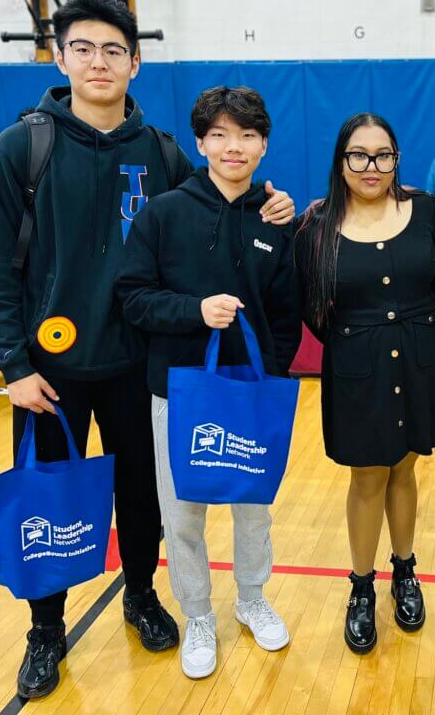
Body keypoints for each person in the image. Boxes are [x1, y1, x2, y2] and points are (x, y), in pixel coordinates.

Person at [0, 0, 295, 699]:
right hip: (50, 372)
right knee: (48, 501)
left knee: (144, 501)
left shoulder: (162, 152)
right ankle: (45, 630)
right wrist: (13, 364)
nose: (98, 61)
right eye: (83, 48)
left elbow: (215, 210)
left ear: (136, 63)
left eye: (113, 50)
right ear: (60, 57)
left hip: (142, 367)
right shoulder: (20, 147)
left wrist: (271, 201)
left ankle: (143, 596)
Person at [117, 85, 301, 678]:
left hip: (249, 395)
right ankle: (197, 613)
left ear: (264, 144)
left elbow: (286, 313)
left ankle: (251, 599)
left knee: (253, 510)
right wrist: (193, 311)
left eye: (247, 135)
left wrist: (269, 378)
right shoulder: (164, 213)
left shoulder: (275, 219)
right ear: (200, 142)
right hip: (178, 391)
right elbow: (132, 297)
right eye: (219, 134)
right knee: (183, 514)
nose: (234, 146)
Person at [295, 113, 435, 654]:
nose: (372, 167)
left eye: (383, 155)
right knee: (367, 476)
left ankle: (405, 571)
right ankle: (362, 588)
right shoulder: (316, 226)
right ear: (341, 161)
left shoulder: (428, 212)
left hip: (416, 359)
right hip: (356, 367)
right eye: (359, 156)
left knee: (405, 467)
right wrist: (360, 337)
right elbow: (316, 311)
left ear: (397, 158)